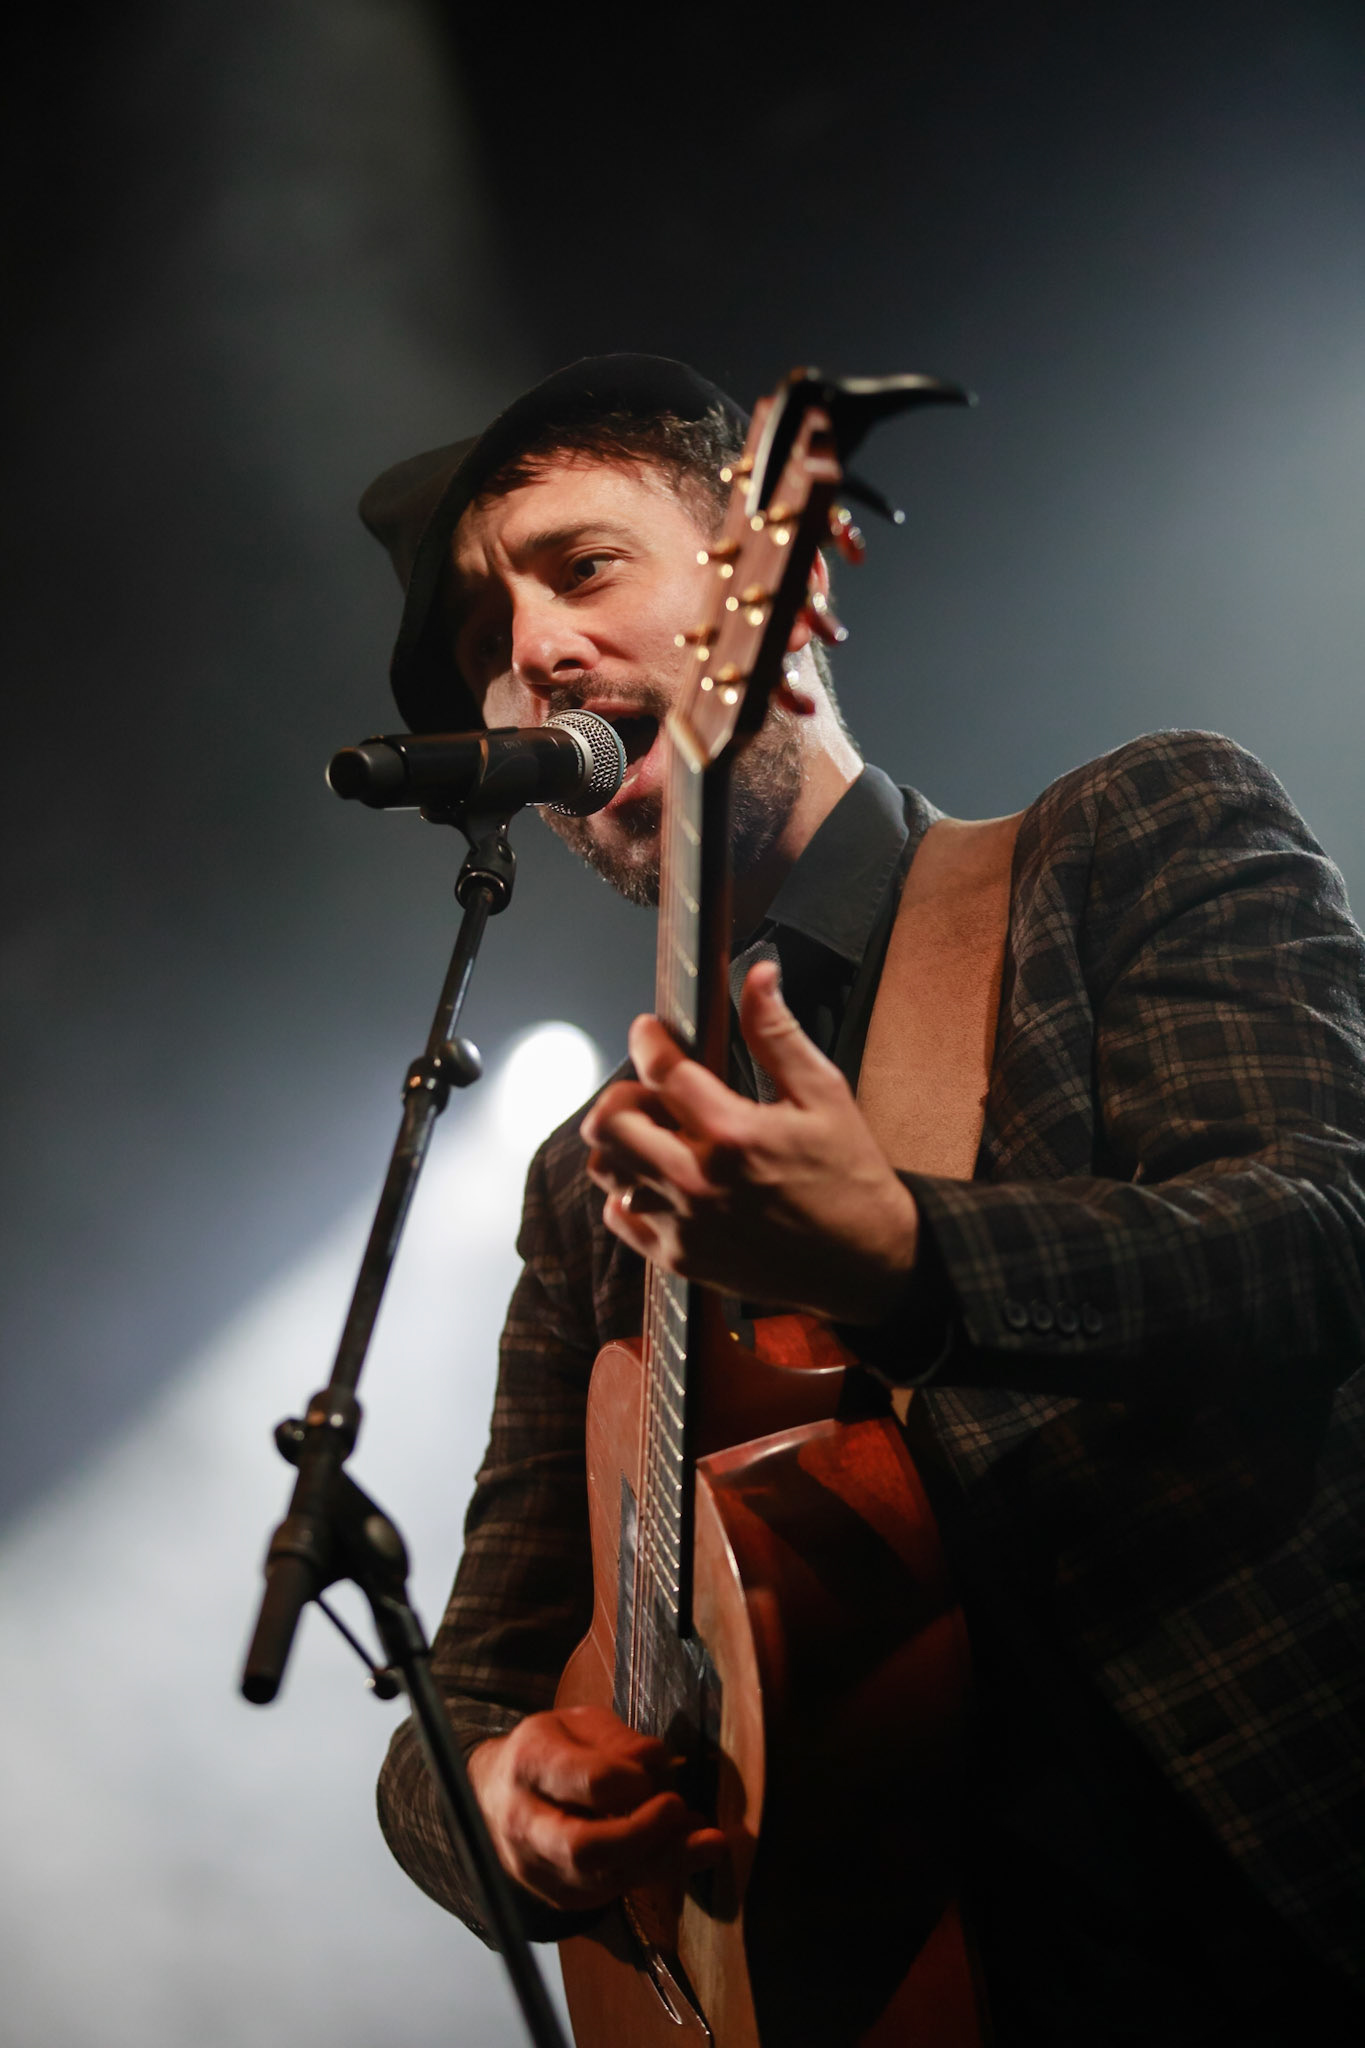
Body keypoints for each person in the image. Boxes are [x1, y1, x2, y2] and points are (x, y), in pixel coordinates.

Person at [359, 355, 1365, 2043]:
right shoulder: (583, 1177)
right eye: (482, 645)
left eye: (581, 569)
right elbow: (470, 1681)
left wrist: (909, 1254)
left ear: (785, 590)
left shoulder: (1122, 846)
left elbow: (1319, 1242)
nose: (529, 658)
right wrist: (502, 1801)